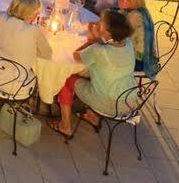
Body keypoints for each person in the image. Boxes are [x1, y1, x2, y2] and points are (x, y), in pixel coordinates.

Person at [56, 9, 137, 140]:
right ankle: (92, 116)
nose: (96, 25)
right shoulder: (127, 43)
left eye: (100, 25)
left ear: (108, 33)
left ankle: (65, 126)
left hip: (108, 103)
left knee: (66, 77)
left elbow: (76, 56)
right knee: (98, 76)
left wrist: (93, 39)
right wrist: (99, 38)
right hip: (129, 99)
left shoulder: (99, 50)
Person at [0, 0, 47, 71]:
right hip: (14, 78)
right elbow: (46, 54)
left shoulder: (0, 17)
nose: (37, 15)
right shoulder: (33, 30)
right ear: (28, 14)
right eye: (36, 13)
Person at [119, 0, 160, 76]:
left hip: (140, 62)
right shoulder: (141, 10)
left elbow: (118, 37)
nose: (119, 0)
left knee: (103, 57)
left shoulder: (135, 17)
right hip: (149, 57)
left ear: (133, 0)